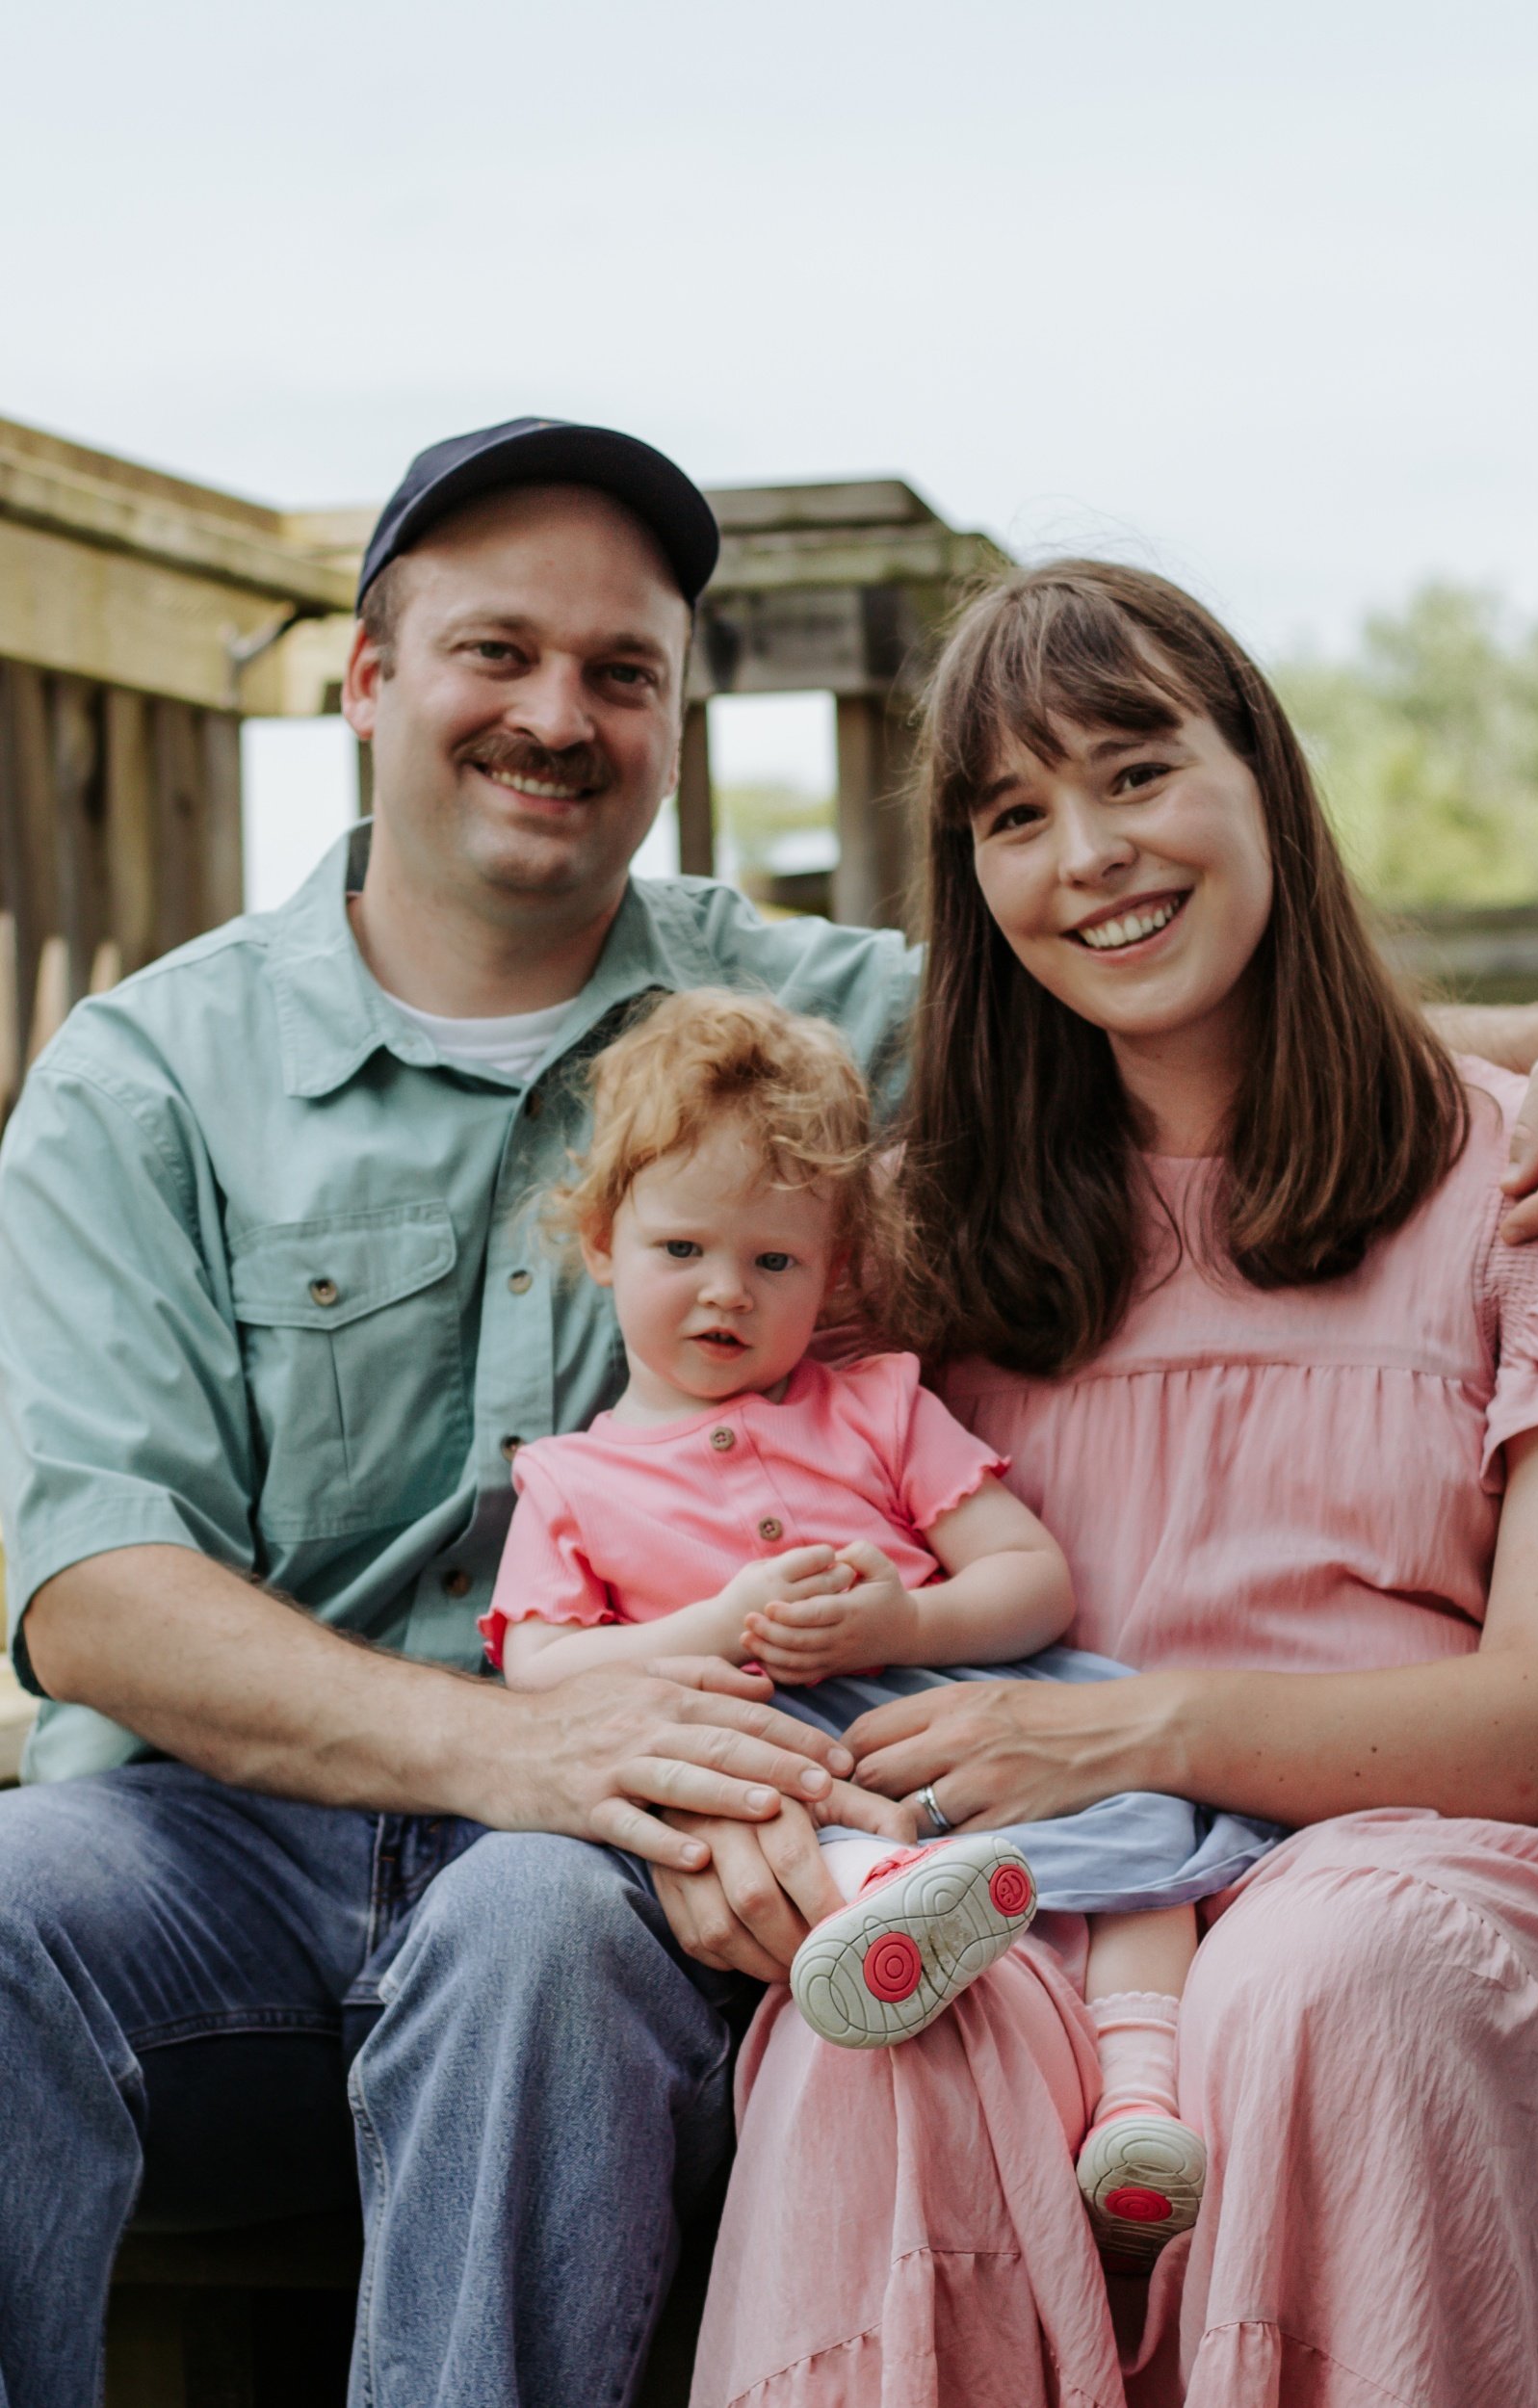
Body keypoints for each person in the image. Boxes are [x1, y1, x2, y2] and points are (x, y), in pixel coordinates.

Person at [0, 416, 922, 2408]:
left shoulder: (829, 1025)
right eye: (494, 651)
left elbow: (1233, 1033)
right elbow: (96, 1586)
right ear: (368, 682)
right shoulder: (146, 1074)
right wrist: (509, 1742)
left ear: (674, 718)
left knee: (532, 1926)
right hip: (209, 1854)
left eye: (623, 671)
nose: (557, 715)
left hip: (615, 1880)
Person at [685, 561, 1538, 2408]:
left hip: (1411, 1868)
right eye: (1014, 816)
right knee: (886, 2023)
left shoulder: (1524, 1187)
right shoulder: (912, 1246)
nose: (1085, 853)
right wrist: (733, 1829)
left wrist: (1135, 1734)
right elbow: (724, 1576)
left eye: (1132, 771)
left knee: (1328, 1979)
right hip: (1046, 1889)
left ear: (1260, 774)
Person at [482, 983, 1274, 2247]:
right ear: (597, 1243)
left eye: (773, 1261)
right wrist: (722, 1624)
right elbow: (538, 1669)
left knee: (1145, 1833)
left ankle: (1141, 2103)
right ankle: (895, 1929)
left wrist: (897, 1626)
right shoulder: (573, 1480)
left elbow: (1031, 1582)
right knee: (809, 1846)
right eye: (679, 1250)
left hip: (951, 1718)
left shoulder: (876, 1408)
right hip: (792, 1772)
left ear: (835, 1268)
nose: (722, 1294)